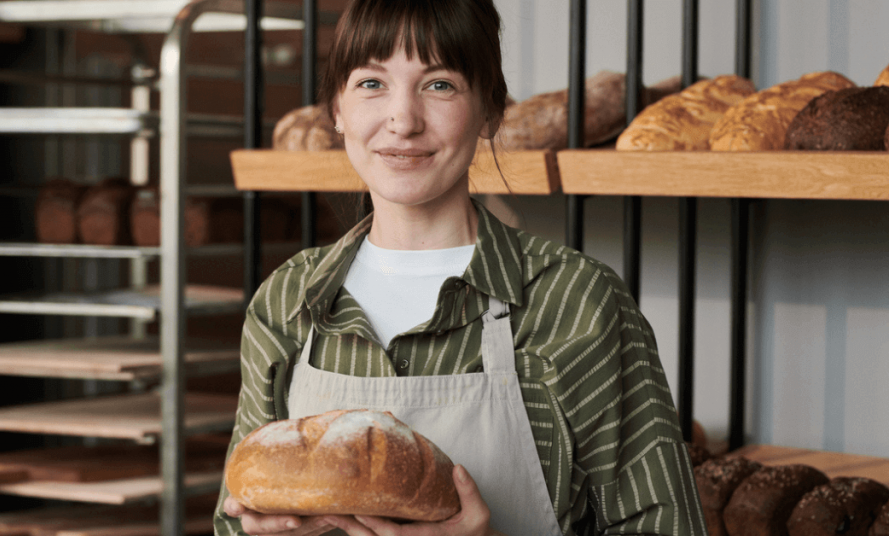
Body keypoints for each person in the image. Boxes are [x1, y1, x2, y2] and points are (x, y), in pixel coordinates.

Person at [214, 0, 706, 535]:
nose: (403, 121)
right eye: (371, 84)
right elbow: (234, 519)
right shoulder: (288, 300)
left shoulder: (573, 301)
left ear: (491, 111)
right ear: (336, 108)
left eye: (440, 84)